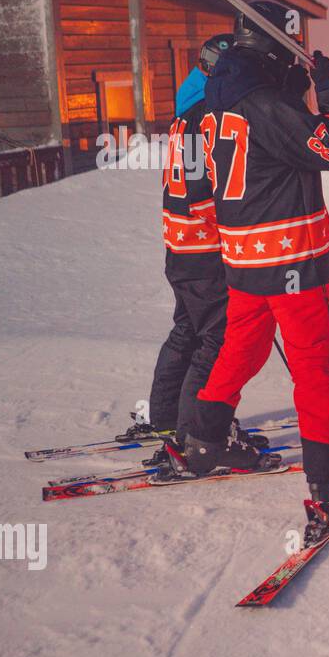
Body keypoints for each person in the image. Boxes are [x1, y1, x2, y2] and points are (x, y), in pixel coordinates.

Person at [182, 0, 329, 543]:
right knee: (314, 367)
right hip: (287, 256)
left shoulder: (221, 98)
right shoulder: (263, 102)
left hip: (242, 254)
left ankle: (205, 436)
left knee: (243, 346)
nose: (299, 55)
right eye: (293, 46)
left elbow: (270, 147)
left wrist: (298, 84)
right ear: (275, 45)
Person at [120, 33, 270, 459]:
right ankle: (194, 431)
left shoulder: (187, 110)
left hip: (180, 245)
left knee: (188, 329)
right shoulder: (209, 113)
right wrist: (235, 233)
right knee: (215, 338)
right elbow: (203, 195)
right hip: (203, 249)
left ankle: (167, 415)